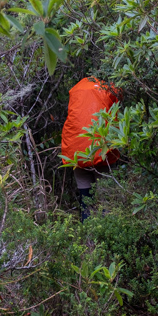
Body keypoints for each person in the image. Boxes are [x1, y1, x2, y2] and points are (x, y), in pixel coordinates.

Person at [60, 77, 120, 221]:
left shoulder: (76, 89)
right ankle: (108, 233)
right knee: (107, 199)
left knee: (85, 198)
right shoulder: (109, 88)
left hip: (77, 151)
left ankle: (87, 235)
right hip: (102, 150)